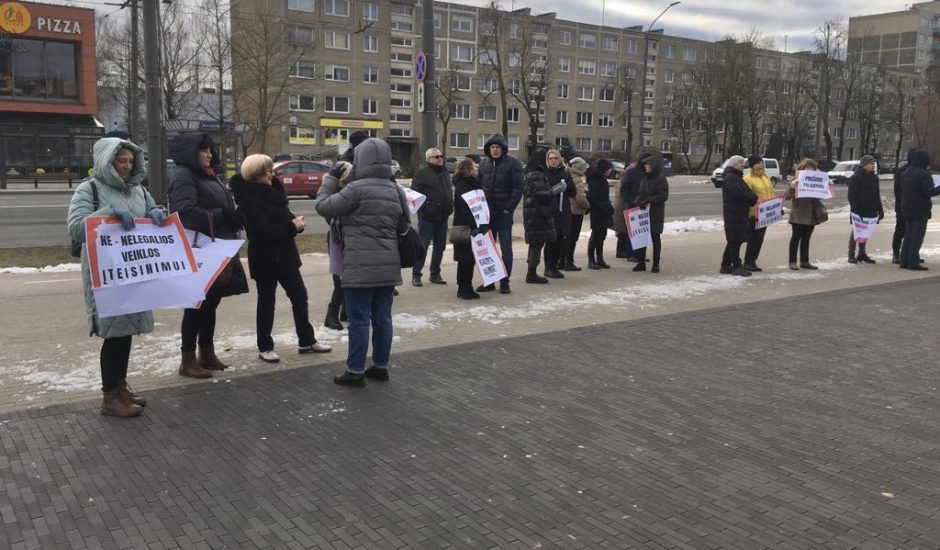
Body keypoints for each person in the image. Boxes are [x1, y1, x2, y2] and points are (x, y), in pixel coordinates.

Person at [67, 137, 165, 417]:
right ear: (107, 161)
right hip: (106, 275)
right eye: (121, 161)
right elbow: (76, 228)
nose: (126, 166)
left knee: (126, 334)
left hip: (134, 272)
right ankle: (110, 396)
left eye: (131, 161)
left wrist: (157, 215)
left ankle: (120, 386)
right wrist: (107, 213)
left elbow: (148, 218)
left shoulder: (138, 191)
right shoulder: (90, 189)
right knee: (114, 334)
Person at [315, 138, 402, 386]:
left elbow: (323, 207)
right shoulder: (394, 189)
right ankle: (381, 366)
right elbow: (404, 223)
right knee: (383, 317)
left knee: (359, 319)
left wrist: (330, 180)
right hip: (388, 263)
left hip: (358, 266)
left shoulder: (355, 190)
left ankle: (355, 371)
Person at [230, 154, 332, 364]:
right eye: (267, 170)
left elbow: (285, 219)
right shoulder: (250, 201)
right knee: (267, 303)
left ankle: (307, 340)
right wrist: (291, 226)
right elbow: (261, 233)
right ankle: (265, 346)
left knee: (299, 297)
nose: (272, 173)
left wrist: (296, 224)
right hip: (265, 259)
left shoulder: (275, 193)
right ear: (257, 175)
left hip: (286, 256)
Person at [169, 133, 248, 379]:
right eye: (205, 150)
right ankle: (188, 359)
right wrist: (223, 216)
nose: (210, 154)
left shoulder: (208, 175)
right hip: (200, 251)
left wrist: (232, 215)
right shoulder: (184, 176)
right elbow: (185, 212)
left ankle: (207, 353)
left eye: (210, 150)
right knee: (195, 306)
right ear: (191, 152)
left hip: (217, 247)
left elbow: (217, 206)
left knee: (211, 302)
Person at [323, 130, 369, 330]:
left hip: (350, 236)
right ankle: (331, 314)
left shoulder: (350, 189)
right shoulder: (339, 192)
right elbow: (326, 209)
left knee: (348, 277)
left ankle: (345, 311)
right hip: (338, 238)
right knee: (340, 278)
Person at [477, 133, 524, 294]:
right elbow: (478, 187)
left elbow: (518, 189)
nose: (495, 150)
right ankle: (489, 281)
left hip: (504, 214)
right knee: (488, 250)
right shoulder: (484, 164)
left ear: (503, 149)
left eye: (497, 147)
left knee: (506, 249)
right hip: (487, 214)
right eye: (492, 147)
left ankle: (504, 281)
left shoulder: (513, 163)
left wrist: (508, 208)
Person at [410, 147, 454, 286]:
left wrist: (449, 206)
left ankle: (435, 274)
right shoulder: (422, 173)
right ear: (429, 159)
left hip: (443, 216)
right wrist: (427, 208)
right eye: (436, 157)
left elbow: (448, 191)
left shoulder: (445, 173)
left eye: (441, 156)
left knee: (439, 247)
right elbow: (414, 195)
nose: (440, 158)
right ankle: (416, 274)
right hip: (428, 218)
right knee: (422, 246)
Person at [522, 148, 567, 283]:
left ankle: (531, 272)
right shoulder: (537, 175)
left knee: (535, 244)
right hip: (538, 215)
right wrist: (555, 190)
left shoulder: (531, 173)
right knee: (537, 245)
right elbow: (540, 195)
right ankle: (531, 274)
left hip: (533, 214)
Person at [899, 149, 940, 270]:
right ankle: (912, 262)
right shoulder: (924, 174)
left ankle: (904, 260)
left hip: (907, 208)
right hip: (920, 210)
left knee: (908, 235)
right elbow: (929, 192)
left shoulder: (906, 172)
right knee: (917, 237)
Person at [785, 158, 828, 270]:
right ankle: (792, 261)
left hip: (811, 215)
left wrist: (827, 186)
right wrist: (792, 187)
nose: (809, 169)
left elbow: (822, 195)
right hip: (798, 214)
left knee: (806, 239)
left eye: (812, 168)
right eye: (807, 167)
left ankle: (804, 261)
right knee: (795, 238)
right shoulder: (796, 180)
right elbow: (787, 197)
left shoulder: (817, 180)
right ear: (802, 168)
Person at [451, 158, 485, 299]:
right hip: (466, 226)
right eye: (474, 167)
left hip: (466, 224)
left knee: (468, 259)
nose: (476, 169)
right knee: (465, 259)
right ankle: (463, 288)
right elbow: (467, 208)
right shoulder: (465, 185)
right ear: (469, 169)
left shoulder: (466, 184)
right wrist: (475, 224)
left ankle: (467, 286)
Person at [720, 155, 758, 277]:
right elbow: (740, 194)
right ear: (734, 164)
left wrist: (752, 196)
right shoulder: (731, 178)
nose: (743, 164)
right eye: (741, 162)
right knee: (735, 241)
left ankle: (725, 265)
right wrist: (752, 198)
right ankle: (736, 266)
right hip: (734, 214)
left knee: (734, 240)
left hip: (738, 213)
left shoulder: (736, 177)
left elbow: (749, 192)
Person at [633, 155, 669, 273]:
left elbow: (663, 195)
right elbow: (640, 192)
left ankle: (656, 264)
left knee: (655, 237)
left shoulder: (660, 179)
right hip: (643, 212)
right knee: (641, 238)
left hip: (655, 213)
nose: (645, 166)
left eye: (647, 164)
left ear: (653, 166)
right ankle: (641, 262)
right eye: (644, 165)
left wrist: (648, 201)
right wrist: (638, 202)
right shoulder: (645, 178)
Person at [543, 149, 576, 278]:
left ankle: (555, 265)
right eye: (551, 158)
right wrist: (554, 191)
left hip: (563, 212)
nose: (553, 161)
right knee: (551, 240)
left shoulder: (565, 173)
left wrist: (567, 188)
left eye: (555, 158)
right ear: (547, 160)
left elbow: (573, 192)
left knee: (562, 240)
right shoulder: (544, 173)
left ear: (560, 160)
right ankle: (549, 267)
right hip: (550, 211)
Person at [846, 155, 884, 264]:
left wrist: (880, 210)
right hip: (858, 210)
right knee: (856, 232)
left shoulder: (874, 177)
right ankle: (851, 254)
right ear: (864, 165)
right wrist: (855, 211)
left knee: (866, 231)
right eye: (871, 164)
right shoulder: (856, 178)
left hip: (871, 209)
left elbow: (877, 194)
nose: (873, 166)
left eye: (874, 164)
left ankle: (862, 253)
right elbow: (851, 196)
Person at [742, 155, 775, 272]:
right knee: (753, 239)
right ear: (751, 166)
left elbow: (771, 193)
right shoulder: (748, 179)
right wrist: (756, 203)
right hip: (754, 214)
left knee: (759, 239)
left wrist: (775, 207)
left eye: (761, 163)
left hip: (765, 214)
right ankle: (748, 262)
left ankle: (753, 261)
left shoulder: (765, 177)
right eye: (757, 163)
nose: (760, 165)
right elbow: (747, 196)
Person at [619, 153, 651, 263]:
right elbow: (624, 189)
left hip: (644, 206)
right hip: (632, 206)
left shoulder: (647, 173)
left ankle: (640, 255)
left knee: (642, 231)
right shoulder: (632, 172)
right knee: (632, 232)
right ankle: (631, 254)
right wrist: (631, 201)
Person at [561, 156, 591, 271]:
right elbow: (580, 198)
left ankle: (561, 261)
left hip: (567, 210)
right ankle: (569, 262)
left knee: (565, 237)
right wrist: (588, 206)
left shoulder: (566, 175)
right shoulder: (577, 178)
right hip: (576, 212)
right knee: (572, 238)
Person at [586, 158, 614, 269]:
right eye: (609, 168)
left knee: (602, 235)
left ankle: (600, 258)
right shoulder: (595, 180)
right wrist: (604, 207)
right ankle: (591, 260)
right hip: (598, 212)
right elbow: (592, 198)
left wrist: (609, 207)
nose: (610, 170)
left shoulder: (603, 179)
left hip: (604, 211)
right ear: (604, 169)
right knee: (596, 235)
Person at [891, 151, 914, 265]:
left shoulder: (916, 170)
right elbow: (898, 190)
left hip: (911, 206)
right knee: (900, 230)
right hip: (902, 205)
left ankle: (911, 253)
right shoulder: (903, 171)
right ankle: (896, 253)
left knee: (911, 231)